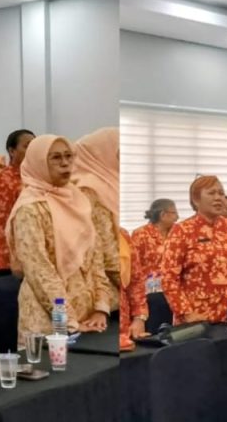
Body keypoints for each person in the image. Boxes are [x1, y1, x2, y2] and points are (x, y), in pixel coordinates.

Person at [8, 134, 110, 343]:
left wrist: (101, 308)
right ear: (38, 163)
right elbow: (39, 270)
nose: (65, 163)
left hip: (88, 316)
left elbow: (95, 256)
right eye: (55, 158)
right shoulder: (30, 208)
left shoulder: (78, 200)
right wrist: (68, 320)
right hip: (48, 320)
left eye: (68, 156)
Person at [160, 175, 227, 324]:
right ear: (196, 199)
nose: (218, 198)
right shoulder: (182, 230)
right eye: (211, 193)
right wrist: (186, 313)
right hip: (196, 320)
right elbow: (169, 277)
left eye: (221, 193)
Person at [74, 127, 120, 309]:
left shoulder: (108, 181)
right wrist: (130, 285)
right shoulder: (90, 189)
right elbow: (106, 248)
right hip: (102, 292)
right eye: (118, 153)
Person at [0, 128, 35, 273]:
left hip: (32, 258)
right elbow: (2, 226)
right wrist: (18, 259)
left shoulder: (32, 178)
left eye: (35, 146)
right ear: (12, 151)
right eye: (27, 146)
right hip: (10, 263)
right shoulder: (2, 182)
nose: (32, 151)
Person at [132, 198, 179, 278]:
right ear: (163, 215)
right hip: (149, 283)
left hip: (175, 282)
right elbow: (134, 267)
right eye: (174, 213)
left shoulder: (179, 232)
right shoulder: (140, 234)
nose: (177, 217)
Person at [119, 228, 149, 351]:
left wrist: (139, 318)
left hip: (123, 325)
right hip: (84, 323)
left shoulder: (122, 235)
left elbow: (136, 280)